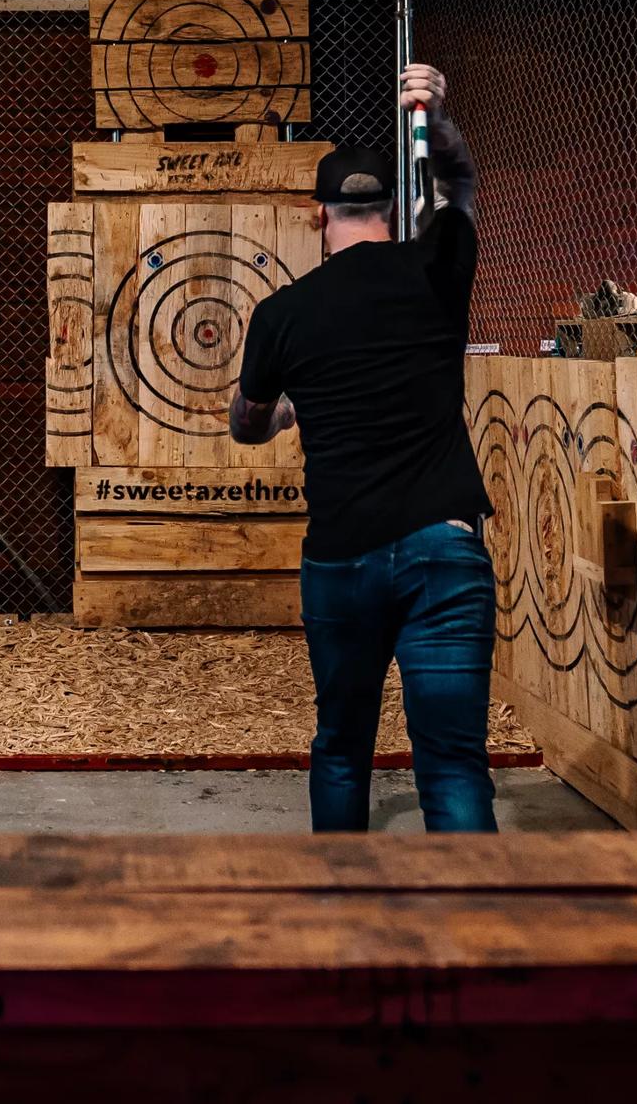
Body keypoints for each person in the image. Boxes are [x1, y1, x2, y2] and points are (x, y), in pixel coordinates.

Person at [229, 63, 496, 833]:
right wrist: (436, 116)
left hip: (341, 559)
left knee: (342, 748)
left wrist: (281, 415)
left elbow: (245, 425)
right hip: (443, 552)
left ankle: (341, 931)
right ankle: (488, 942)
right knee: (451, 761)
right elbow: (461, 187)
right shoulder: (436, 266)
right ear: (389, 207)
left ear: (319, 215)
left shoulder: (283, 313)